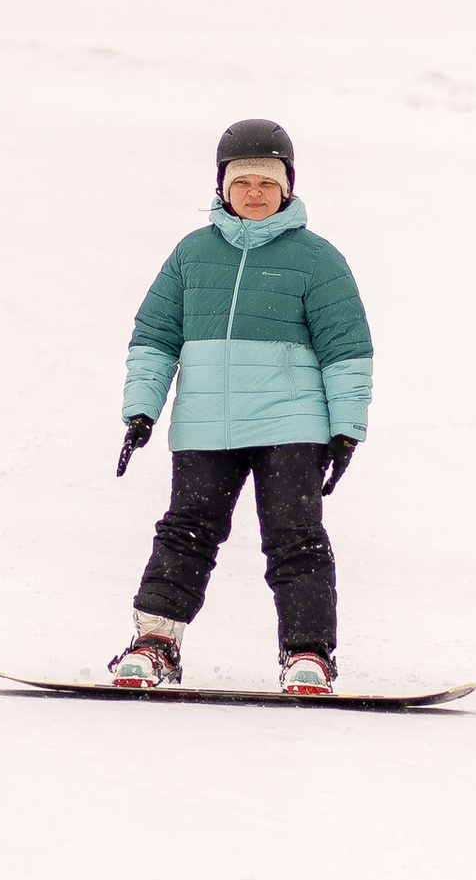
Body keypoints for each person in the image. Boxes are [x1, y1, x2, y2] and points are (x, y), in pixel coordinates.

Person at [109, 118, 373, 693]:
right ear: (223, 186)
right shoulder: (192, 253)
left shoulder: (316, 259)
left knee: (295, 537)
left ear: (288, 186)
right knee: (186, 531)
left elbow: (347, 349)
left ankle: (308, 655)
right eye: (243, 182)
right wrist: (141, 410)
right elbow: (154, 337)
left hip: (291, 424)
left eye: (267, 182)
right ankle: (156, 643)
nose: (255, 193)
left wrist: (346, 428)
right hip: (206, 425)